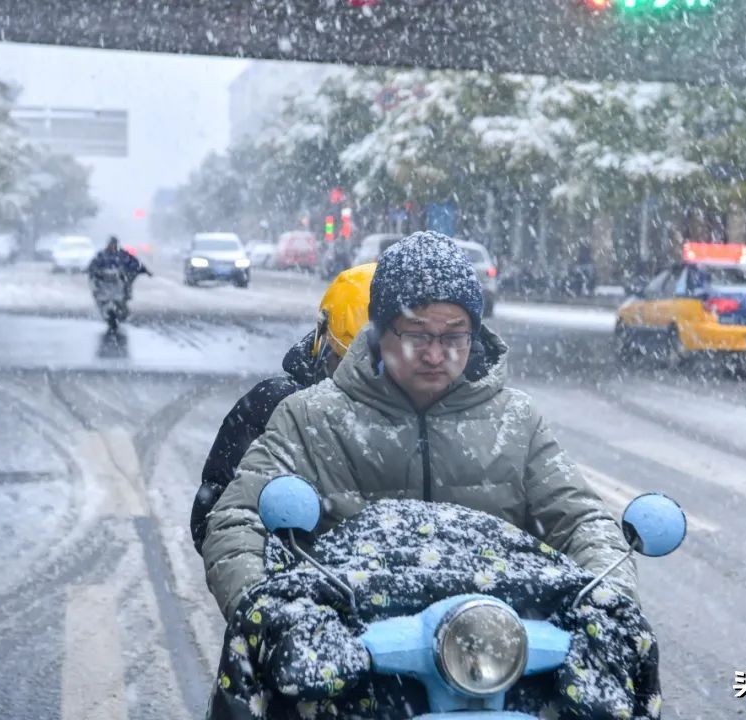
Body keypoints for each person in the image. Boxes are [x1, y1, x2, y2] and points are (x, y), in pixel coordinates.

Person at [203, 230, 637, 617]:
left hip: (496, 651)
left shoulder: (516, 422)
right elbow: (237, 521)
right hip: (349, 662)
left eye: (453, 335)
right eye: (416, 334)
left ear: (475, 333)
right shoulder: (309, 417)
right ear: (379, 332)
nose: (434, 354)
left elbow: (582, 520)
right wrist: (266, 610)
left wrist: (609, 597)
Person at [190, 263, 376, 554]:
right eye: (345, 367)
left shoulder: (439, 416)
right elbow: (215, 517)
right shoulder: (273, 406)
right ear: (322, 342)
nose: (360, 385)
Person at [87, 235, 152, 298]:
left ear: (116, 244)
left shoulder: (123, 254)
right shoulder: (102, 254)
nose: (112, 246)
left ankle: (126, 292)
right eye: (111, 244)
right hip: (103, 278)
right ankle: (97, 292)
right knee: (93, 279)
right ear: (108, 244)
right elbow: (93, 264)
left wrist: (145, 270)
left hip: (120, 278)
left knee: (128, 279)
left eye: (114, 244)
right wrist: (93, 270)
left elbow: (135, 263)